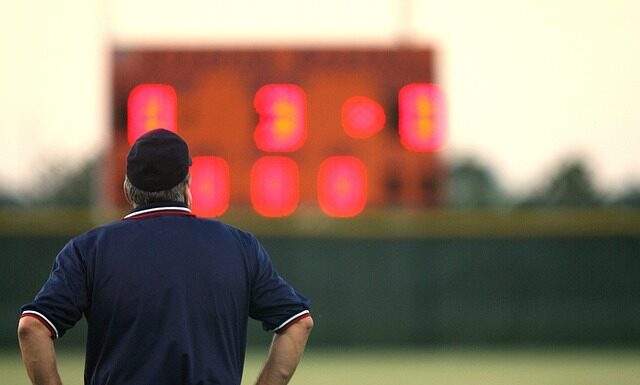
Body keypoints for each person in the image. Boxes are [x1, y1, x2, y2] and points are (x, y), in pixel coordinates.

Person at [17, 129, 313, 385]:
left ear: (127, 189)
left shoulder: (89, 250)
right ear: (187, 185)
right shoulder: (239, 246)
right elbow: (298, 322)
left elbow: (33, 327)